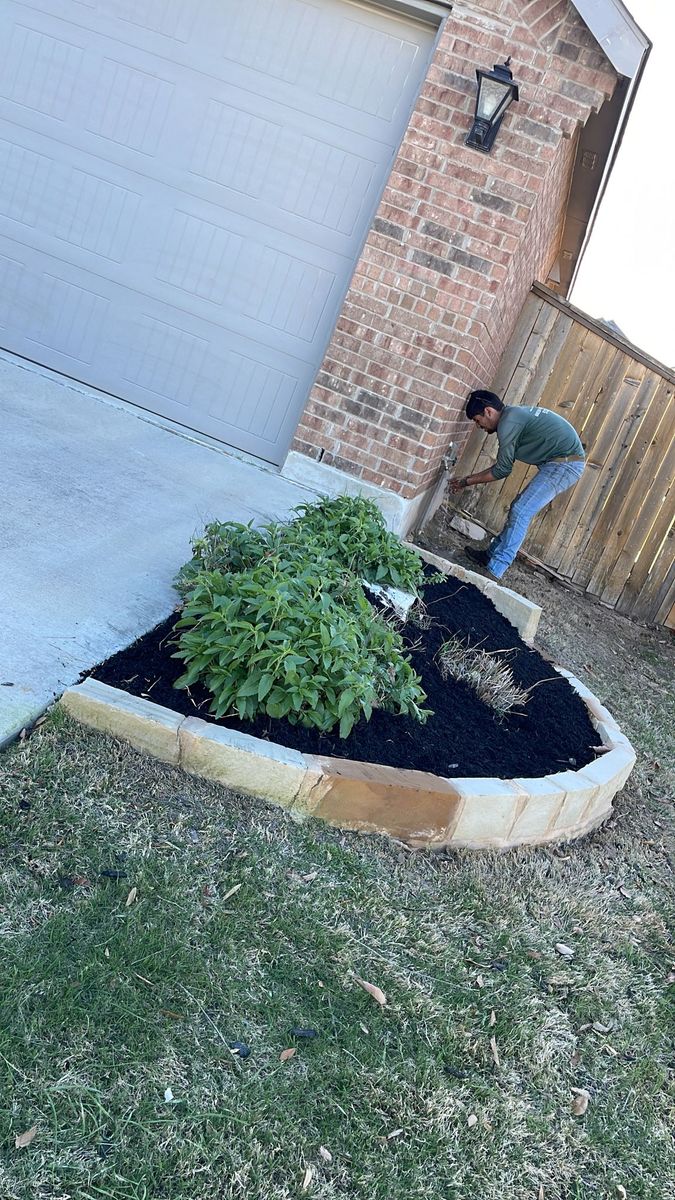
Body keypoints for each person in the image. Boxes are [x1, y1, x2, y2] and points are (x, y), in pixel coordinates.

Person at [449, 389, 585, 579]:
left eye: (478, 420)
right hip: (562, 462)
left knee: (521, 511)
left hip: (565, 465)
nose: (479, 426)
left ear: (488, 411)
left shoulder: (508, 423)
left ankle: (495, 571)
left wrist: (465, 482)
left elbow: (502, 470)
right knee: (518, 508)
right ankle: (490, 556)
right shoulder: (513, 415)